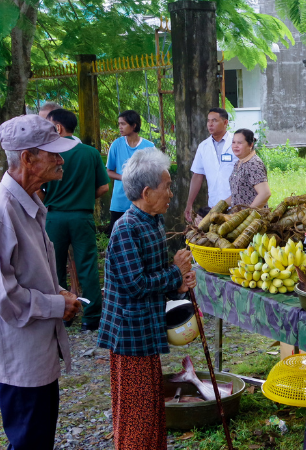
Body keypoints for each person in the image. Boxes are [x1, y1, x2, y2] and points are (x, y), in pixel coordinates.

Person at [0, 114, 82, 449]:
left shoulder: (29, 200)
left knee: (36, 438)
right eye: (53, 154)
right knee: (30, 440)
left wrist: (58, 292)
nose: (61, 160)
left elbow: (29, 270)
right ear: (28, 158)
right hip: (18, 353)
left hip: (35, 349)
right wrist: (56, 304)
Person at [97, 148, 197, 449]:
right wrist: (175, 274)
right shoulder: (126, 228)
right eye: (166, 186)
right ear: (146, 191)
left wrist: (176, 286)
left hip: (146, 329)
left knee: (152, 406)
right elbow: (136, 284)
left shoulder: (152, 221)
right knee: (136, 412)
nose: (170, 192)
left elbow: (153, 274)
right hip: (130, 334)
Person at [41, 108, 110, 331]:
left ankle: (63, 314)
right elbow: (103, 186)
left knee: (54, 267)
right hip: (83, 216)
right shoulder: (90, 153)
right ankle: (92, 317)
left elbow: (40, 190)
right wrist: (85, 197)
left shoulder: (48, 153)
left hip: (55, 217)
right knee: (87, 267)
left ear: (58, 127)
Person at [106, 110, 155, 231]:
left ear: (134, 125)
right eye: (119, 124)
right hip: (119, 202)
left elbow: (155, 173)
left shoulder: (149, 147)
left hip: (142, 201)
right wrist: (125, 177)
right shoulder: (116, 145)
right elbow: (109, 171)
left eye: (123, 124)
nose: (120, 127)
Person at [185, 107, 236, 222]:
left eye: (214, 120)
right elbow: (197, 175)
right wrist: (189, 204)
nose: (210, 124)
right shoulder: (203, 146)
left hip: (236, 204)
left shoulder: (236, 143)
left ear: (225, 122)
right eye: (208, 121)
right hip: (214, 206)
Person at [225, 128, 271, 208]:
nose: (235, 146)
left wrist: (247, 213)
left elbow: (265, 193)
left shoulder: (254, 163)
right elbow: (237, 194)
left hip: (253, 218)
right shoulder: (238, 163)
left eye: (240, 143)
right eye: (233, 142)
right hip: (239, 217)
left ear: (250, 145)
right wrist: (219, 206)